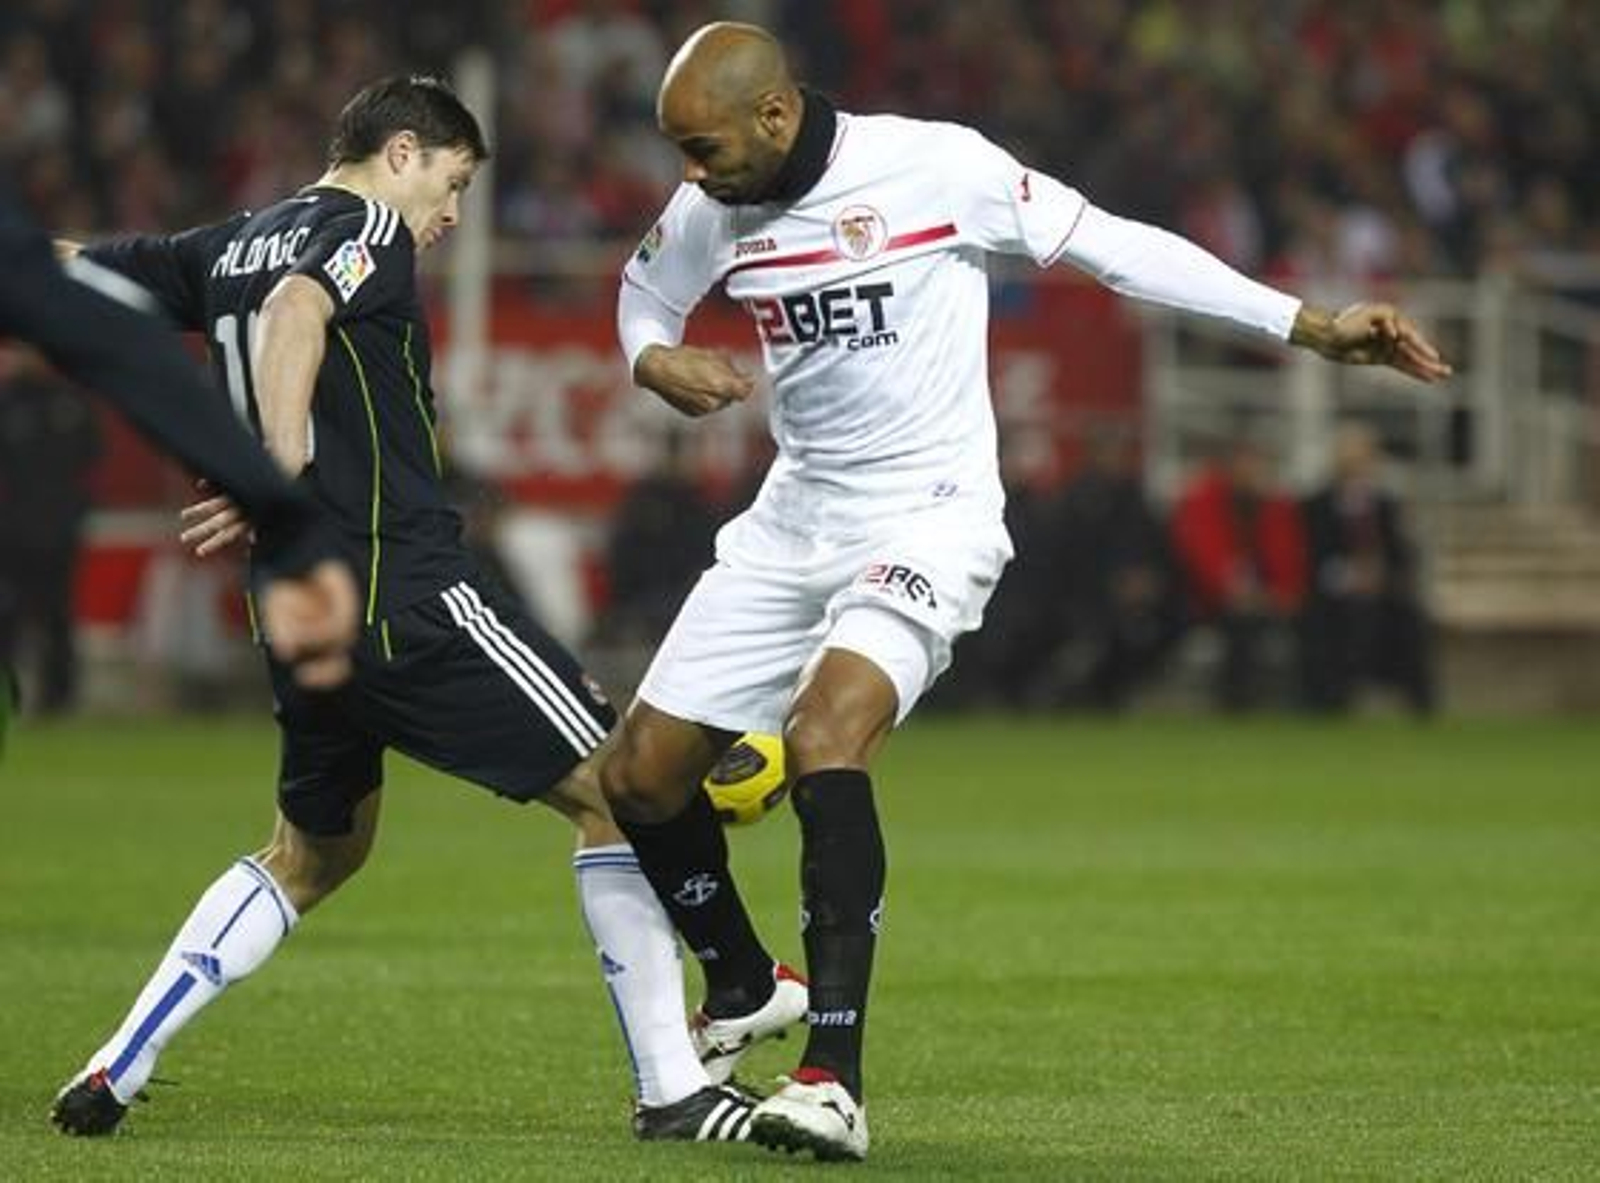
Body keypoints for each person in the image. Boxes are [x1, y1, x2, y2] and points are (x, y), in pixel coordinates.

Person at [600, 22, 1451, 1162]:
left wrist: (1304, 323)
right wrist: (653, 359)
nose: (688, 177)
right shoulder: (713, 207)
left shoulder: (935, 167)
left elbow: (1115, 247)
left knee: (823, 735)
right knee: (641, 778)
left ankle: (830, 1080)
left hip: (930, 511)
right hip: (792, 516)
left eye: (702, 149)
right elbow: (644, 293)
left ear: (773, 115)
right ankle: (748, 982)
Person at [47, 75, 762, 1144]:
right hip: (405, 594)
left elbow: (63, 271)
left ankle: (116, 1061)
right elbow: (299, 310)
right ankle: (675, 1089)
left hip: (300, 610)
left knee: (312, 853)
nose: (452, 216)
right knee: (622, 790)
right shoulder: (367, 227)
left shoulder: (226, 244)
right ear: (401, 153)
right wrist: (274, 467)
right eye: (454, 182)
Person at [0, 181, 358, 709]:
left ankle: (55, 696)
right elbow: (116, 337)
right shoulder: (358, 237)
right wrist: (287, 519)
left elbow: (93, 312)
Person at [1299, 422, 1435, 714]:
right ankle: (1334, 699)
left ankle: (1422, 704)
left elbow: (1401, 554)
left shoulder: (1386, 505)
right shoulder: (1316, 505)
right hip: (1332, 591)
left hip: (1381, 590)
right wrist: (1347, 576)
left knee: (1409, 616)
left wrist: (1381, 574)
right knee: (1334, 619)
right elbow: (1310, 555)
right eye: (1350, 460)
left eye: (1362, 459)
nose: (1356, 467)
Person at [1171, 437, 1309, 712]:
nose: (1252, 472)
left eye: (1257, 465)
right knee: (1240, 626)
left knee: (1316, 623)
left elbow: (1290, 555)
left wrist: (1281, 594)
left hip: (1267, 598)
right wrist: (1233, 591)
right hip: (1212, 600)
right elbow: (1203, 556)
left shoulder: (1274, 506)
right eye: (1246, 464)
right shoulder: (1204, 501)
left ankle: (1319, 700)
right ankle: (1237, 704)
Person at [0, 348, 101, 714]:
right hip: (10, 530)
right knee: (7, 615)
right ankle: (9, 698)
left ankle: (58, 700)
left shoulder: (70, 403)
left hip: (59, 529)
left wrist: (76, 511)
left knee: (57, 615)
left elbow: (91, 458)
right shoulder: (6, 402)